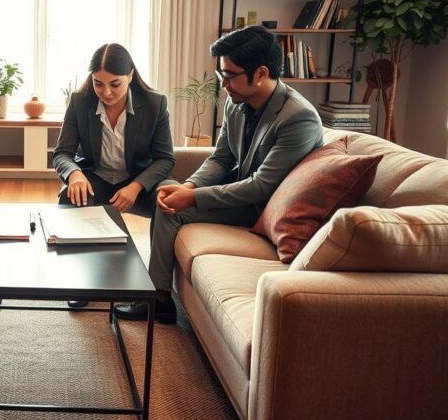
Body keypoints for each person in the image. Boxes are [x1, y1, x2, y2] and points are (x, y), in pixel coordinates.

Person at [114, 26, 324, 323]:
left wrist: (192, 198)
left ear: (261, 73)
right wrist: (188, 186)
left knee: (174, 208)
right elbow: (222, 158)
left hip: (260, 208)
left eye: (230, 75)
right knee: (169, 188)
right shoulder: (236, 102)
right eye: (220, 75)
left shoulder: (298, 118)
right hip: (240, 189)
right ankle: (158, 295)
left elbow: (262, 186)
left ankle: (158, 299)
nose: (223, 84)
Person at [52, 43, 176, 308]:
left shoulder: (155, 103)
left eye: (115, 84)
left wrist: (137, 186)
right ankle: (82, 282)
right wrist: (74, 174)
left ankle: (158, 292)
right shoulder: (79, 101)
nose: (106, 92)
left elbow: (166, 158)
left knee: (170, 199)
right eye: (98, 84)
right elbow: (62, 153)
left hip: (137, 181)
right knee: (68, 197)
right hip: (96, 179)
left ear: (130, 75)